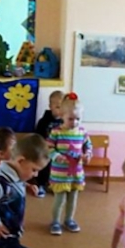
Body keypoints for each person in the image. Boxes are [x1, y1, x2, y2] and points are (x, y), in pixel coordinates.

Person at [46, 92, 92, 235]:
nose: (75, 122)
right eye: (70, 119)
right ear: (62, 116)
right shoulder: (56, 132)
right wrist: (57, 156)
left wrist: (87, 155)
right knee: (59, 199)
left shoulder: (82, 132)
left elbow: (88, 146)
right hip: (60, 173)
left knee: (73, 199)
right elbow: (48, 148)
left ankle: (69, 219)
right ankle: (55, 221)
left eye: (78, 119)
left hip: (76, 173)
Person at [33, 90, 65, 197]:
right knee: (44, 167)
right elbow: (38, 136)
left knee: (59, 169)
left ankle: (55, 185)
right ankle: (41, 185)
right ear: (50, 106)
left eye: (62, 107)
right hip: (45, 150)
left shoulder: (64, 121)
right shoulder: (43, 121)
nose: (60, 110)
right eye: (57, 107)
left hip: (59, 151)